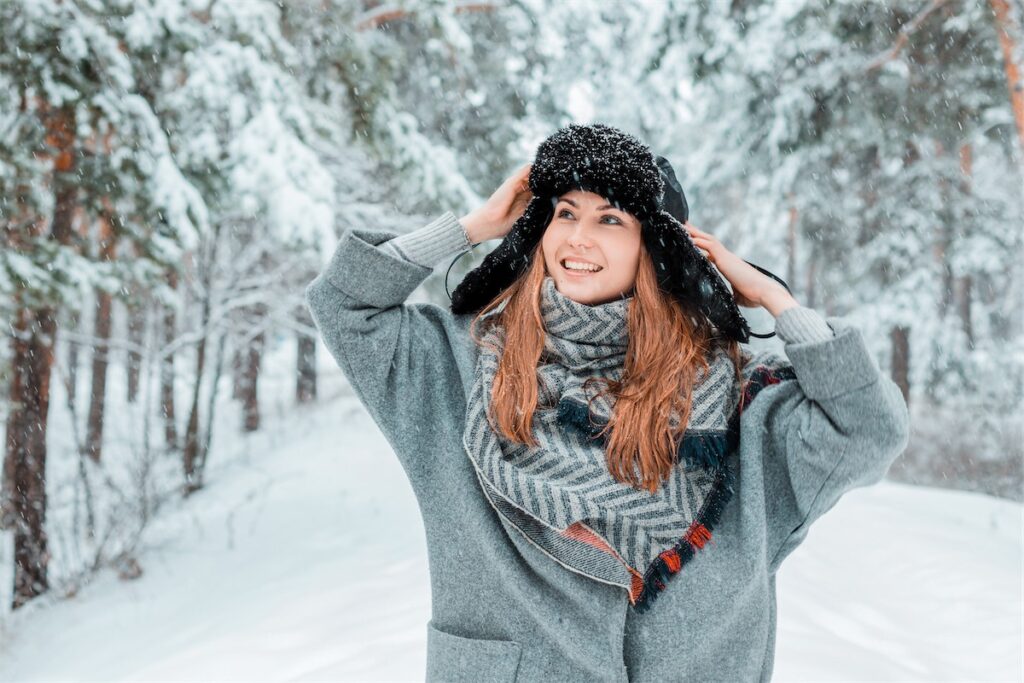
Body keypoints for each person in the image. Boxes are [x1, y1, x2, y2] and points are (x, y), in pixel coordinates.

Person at [304, 123, 910, 682]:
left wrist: (778, 302)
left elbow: (868, 430)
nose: (577, 237)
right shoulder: (457, 370)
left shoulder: (743, 406)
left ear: (657, 248)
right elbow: (345, 307)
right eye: (564, 213)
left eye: (610, 219)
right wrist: (471, 226)